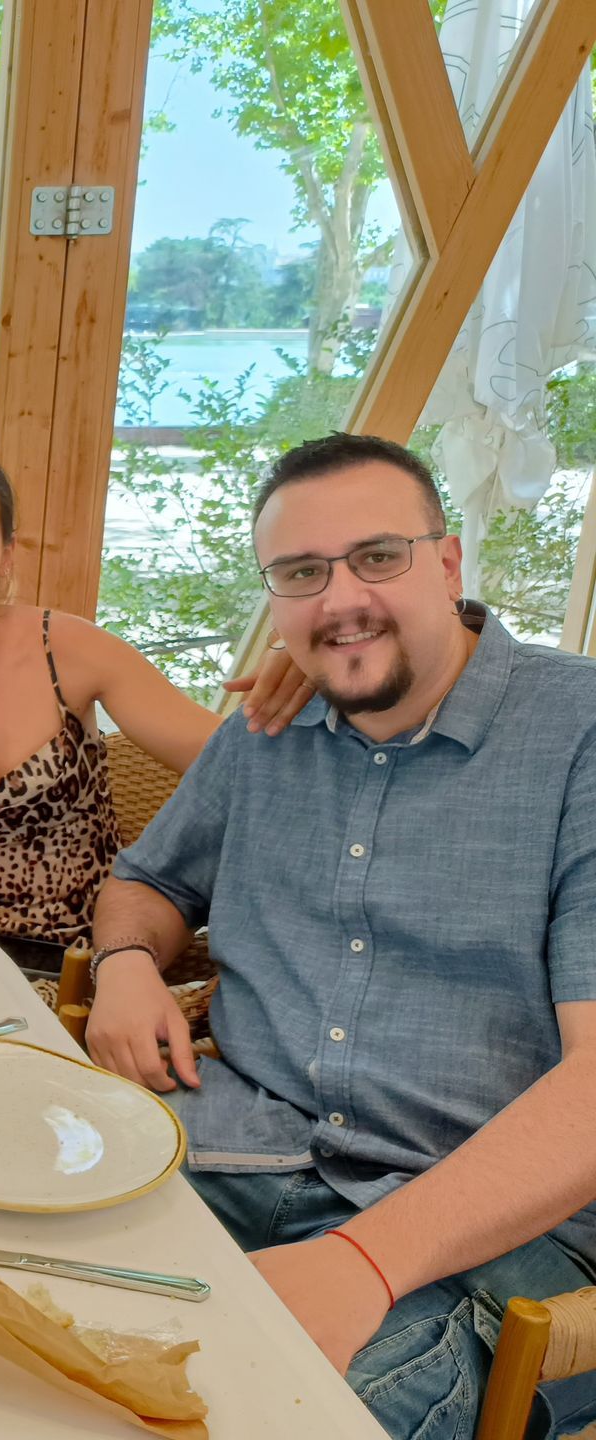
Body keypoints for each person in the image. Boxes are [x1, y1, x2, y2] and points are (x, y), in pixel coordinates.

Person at [86, 433, 596, 1438]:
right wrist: (126, 962)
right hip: (233, 1150)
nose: (340, 598)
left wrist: (363, 1261)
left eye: (378, 556)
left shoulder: (578, 736)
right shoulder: (267, 733)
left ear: (448, 564)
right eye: (302, 573)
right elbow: (145, 880)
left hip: (481, 1240)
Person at [0, 447, 310, 953]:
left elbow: (234, 761)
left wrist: (304, 654)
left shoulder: (68, 649)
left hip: (105, 957)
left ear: (7, 552)